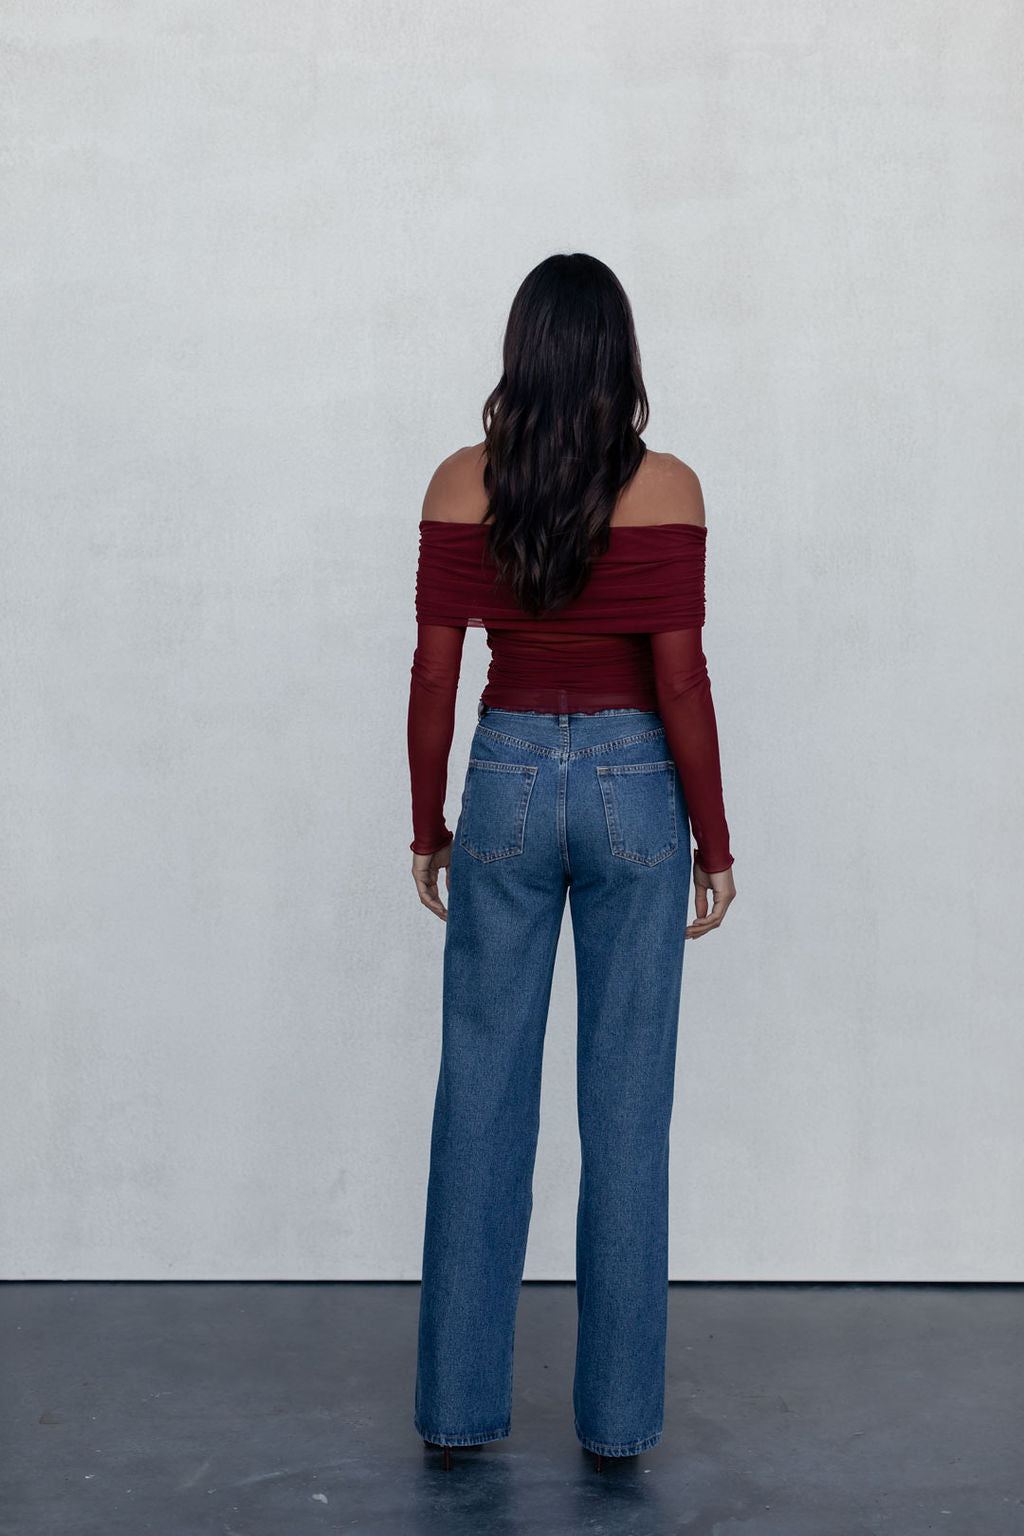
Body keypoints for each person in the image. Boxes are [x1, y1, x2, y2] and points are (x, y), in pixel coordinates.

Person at [406, 253, 736, 1473]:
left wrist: (427, 824)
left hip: (500, 776)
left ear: (522, 349)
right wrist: (712, 838)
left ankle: (454, 1409)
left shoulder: (458, 481)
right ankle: (614, 1426)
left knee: (480, 1099)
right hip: (631, 784)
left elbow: (436, 675)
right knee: (627, 1108)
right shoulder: (668, 486)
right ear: (619, 353)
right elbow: (680, 679)